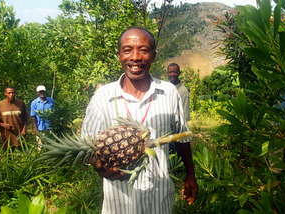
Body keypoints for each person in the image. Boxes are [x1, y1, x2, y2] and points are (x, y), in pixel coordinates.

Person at [81, 26, 198, 214]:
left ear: (153, 54)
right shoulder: (103, 97)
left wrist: (191, 175)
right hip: (119, 203)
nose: (135, 57)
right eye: (127, 50)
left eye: (143, 50)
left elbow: (182, 138)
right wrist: (98, 166)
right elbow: (86, 145)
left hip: (159, 201)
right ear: (119, 54)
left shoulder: (169, 93)